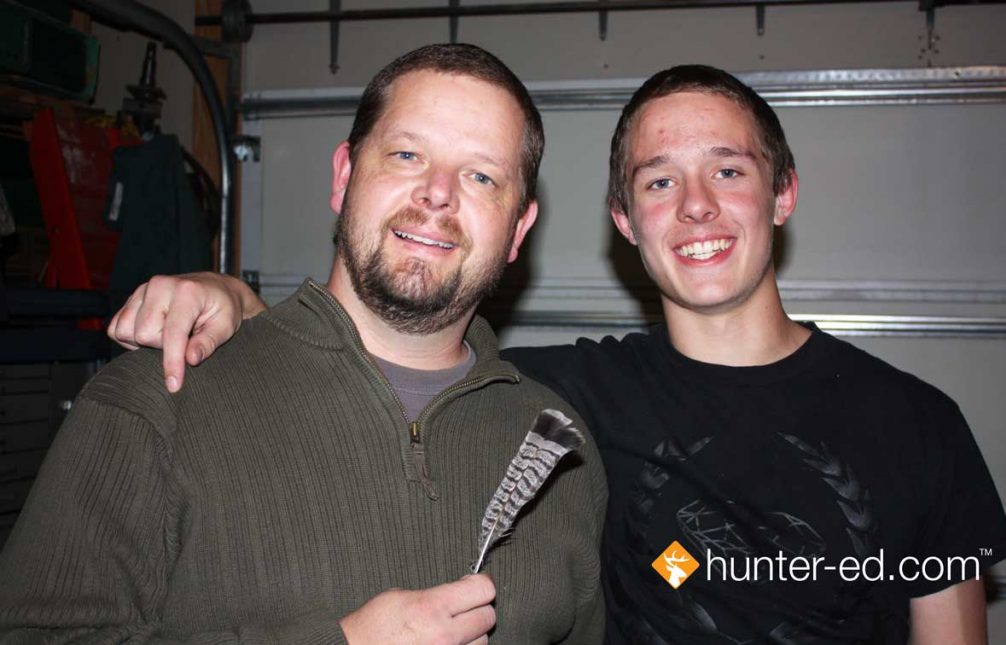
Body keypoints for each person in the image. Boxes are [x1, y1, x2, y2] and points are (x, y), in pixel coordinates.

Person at [104, 65, 1006, 643]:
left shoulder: (918, 424)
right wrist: (236, 300)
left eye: (729, 171)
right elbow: (394, 324)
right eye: (660, 181)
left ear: (783, 193)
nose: (696, 206)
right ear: (626, 222)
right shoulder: (562, 395)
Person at [0, 44, 607, 644]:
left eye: (480, 175)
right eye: (406, 154)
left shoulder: (559, 450)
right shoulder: (157, 399)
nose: (438, 193)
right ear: (344, 178)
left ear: (517, 229)